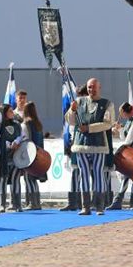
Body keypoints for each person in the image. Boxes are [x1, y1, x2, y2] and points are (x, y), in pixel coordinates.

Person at [65, 78, 115, 216]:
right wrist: (72, 110)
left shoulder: (107, 104)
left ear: (99, 88)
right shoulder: (79, 102)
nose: (91, 90)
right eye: (89, 87)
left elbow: (108, 123)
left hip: (98, 144)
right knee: (84, 174)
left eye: (94, 87)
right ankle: (85, 206)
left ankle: (99, 205)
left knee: (99, 174)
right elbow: (70, 120)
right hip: (81, 144)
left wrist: (89, 128)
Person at [107, 101, 133, 210]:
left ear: (124, 112)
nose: (121, 115)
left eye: (121, 113)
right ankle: (119, 201)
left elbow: (128, 140)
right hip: (132, 152)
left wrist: (119, 150)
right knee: (127, 176)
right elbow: (125, 137)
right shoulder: (130, 121)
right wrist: (119, 129)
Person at [61, 83, 88, 211]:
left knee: (90, 173)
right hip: (76, 143)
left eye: (80, 95)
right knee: (75, 172)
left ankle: (90, 201)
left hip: (88, 143)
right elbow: (70, 122)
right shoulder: (75, 108)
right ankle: (73, 201)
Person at [16, 101, 45, 210]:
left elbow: (24, 139)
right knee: (34, 179)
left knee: (29, 179)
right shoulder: (38, 124)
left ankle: (33, 203)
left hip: (29, 154)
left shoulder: (25, 124)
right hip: (39, 153)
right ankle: (37, 202)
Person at [0, 104, 20, 213]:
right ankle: (1, 204)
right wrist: (6, 143)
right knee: (3, 180)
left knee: (15, 179)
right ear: (4, 112)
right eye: (10, 111)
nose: (13, 112)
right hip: (4, 156)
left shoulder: (16, 124)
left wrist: (16, 142)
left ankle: (16, 204)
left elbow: (21, 135)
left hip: (16, 155)